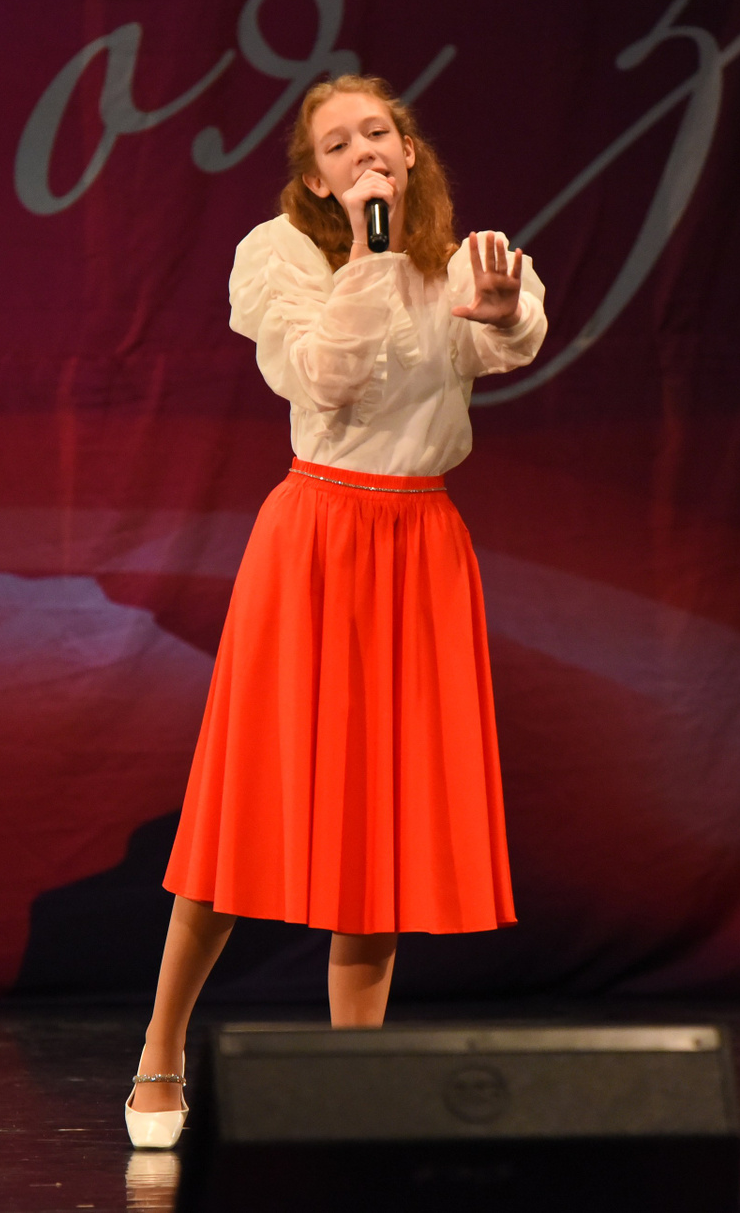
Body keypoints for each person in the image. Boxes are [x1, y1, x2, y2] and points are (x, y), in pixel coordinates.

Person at [125, 74, 548, 1149]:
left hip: (420, 546)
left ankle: (356, 1080)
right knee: (245, 805)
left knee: (380, 827)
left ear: (407, 150)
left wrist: (504, 313)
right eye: (338, 143)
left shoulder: (459, 258)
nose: (364, 151)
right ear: (315, 178)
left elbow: (502, 340)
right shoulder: (279, 255)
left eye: (378, 132)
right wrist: (368, 256)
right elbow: (323, 380)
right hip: (316, 540)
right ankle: (161, 1052)